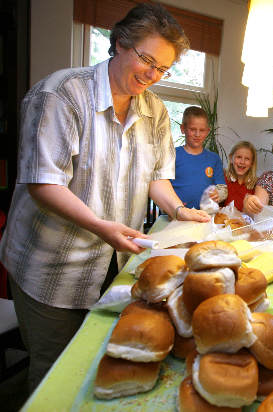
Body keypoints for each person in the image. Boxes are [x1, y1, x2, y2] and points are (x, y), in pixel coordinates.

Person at [0, 3, 210, 393]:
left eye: (163, 69)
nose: (153, 75)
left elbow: (156, 178)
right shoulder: (61, 94)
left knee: (102, 363)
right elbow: (43, 184)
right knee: (55, 375)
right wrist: (100, 226)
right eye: (147, 59)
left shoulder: (156, 111)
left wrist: (181, 210)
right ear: (118, 44)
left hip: (114, 264)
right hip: (52, 270)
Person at [170, 106, 227, 209]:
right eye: (192, 129)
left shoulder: (214, 159)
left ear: (207, 131)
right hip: (177, 216)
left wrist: (218, 194)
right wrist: (171, 205)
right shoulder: (172, 155)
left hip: (205, 216)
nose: (197, 134)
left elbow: (222, 188)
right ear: (183, 129)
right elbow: (163, 186)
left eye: (202, 130)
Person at [222, 141, 258, 212]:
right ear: (231, 158)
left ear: (252, 163)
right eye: (239, 157)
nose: (242, 162)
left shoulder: (256, 184)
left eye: (247, 159)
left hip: (245, 222)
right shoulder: (222, 177)